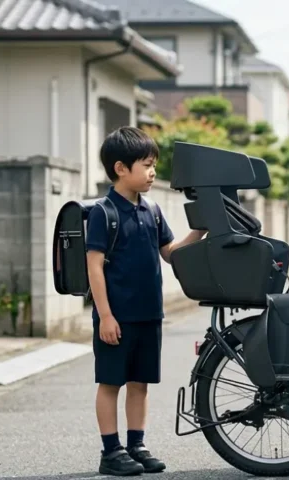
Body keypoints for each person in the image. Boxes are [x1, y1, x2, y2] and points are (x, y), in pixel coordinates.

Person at [85, 126, 206, 476]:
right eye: (147, 165)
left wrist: (200, 229)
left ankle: (136, 445)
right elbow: (94, 267)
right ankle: (111, 452)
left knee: (140, 383)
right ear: (121, 168)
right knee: (111, 383)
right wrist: (105, 316)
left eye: (154, 165)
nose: (153, 172)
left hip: (149, 314)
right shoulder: (104, 212)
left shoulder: (152, 210)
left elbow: (170, 253)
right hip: (117, 317)